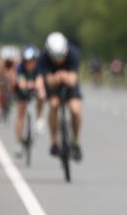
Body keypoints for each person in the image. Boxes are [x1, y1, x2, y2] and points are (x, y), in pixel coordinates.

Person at [37, 32, 84, 161]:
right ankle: (54, 142)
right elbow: (48, 80)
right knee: (54, 104)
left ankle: (76, 140)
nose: (58, 60)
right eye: (55, 56)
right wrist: (57, 78)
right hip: (53, 86)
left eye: (61, 56)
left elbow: (73, 80)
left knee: (75, 109)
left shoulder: (73, 54)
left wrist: (63, 77)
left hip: (69, 84)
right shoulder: (43, 57)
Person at [13, 45, 44, 158]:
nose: (30, 64)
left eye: (32, 61)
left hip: (33, 87)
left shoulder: (38, 68)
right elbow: (21, 83)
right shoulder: (20, 68)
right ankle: (18, 143)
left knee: (41, 95)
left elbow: (40, 82)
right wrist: (27, 85)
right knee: (21, 113)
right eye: (28, 61)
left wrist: (36, 87)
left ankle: (39, 118)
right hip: (22, 91)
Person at [0, 45, 19, 121]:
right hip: (3, 77)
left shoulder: (14, 62)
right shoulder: (2, 62)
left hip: (10, 76)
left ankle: (11, 97)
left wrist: (14, 79)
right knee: (1, 91)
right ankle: (0, 108)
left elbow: (15, 71)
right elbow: (0, 72)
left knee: (13, 83)